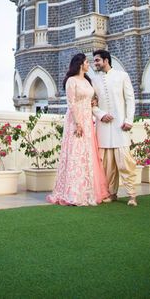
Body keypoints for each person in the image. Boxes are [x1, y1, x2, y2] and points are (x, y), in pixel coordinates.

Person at [47, 53, 109, 206]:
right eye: (87, 62)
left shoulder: (88, 82)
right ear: (80, 64)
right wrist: (77, 123)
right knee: (75, 153)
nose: (89, 65)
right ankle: (73, 192)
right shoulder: (71, 81)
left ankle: (89, 191)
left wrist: (93, 103)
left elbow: (91, 100)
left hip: (88, 120)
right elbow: (71, 103)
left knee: (87, 153)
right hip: (76, 121)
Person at [92, 49, 138, 206]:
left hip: (120, 126)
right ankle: (112, 194)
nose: (95, 63)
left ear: (106, 60)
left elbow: (130, 99)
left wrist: (129, 120)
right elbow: (91, 103)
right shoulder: (93, 80)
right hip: (103, 127)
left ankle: (132, 195)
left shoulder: (122, 76)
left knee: (125, 163)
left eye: (97, 60)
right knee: (107, 165)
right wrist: (100, 114)